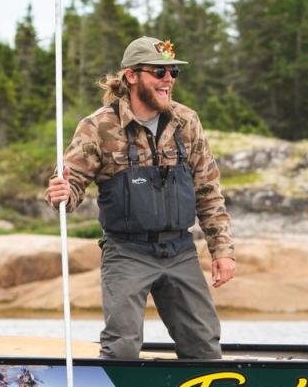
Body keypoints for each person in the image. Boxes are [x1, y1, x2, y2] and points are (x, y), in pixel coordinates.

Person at [45, 36, 236, 360]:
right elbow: (71, 184)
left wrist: (222, 250)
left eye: (173, 72)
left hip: (179, 249)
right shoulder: (98, 127)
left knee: (204, 345)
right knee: (122, 347)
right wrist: (61, 193)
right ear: (131, 76)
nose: (168, 80)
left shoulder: (186, 122)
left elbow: (208, 190)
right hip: (126, 251)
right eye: (159, 72)